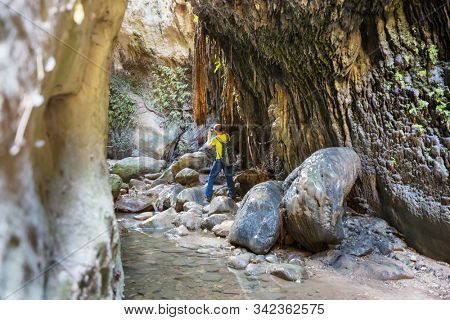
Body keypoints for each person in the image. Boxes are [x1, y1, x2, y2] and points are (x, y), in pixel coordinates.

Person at [204, 124, 235, 201]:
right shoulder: (227, 136)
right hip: (228, 160)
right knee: (229, 177)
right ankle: (232, 194)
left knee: (211, 177)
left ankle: (208, 196)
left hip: (219, 161)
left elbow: (208, 146)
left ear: (215, 131)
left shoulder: (215, 139)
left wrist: (209, 134)